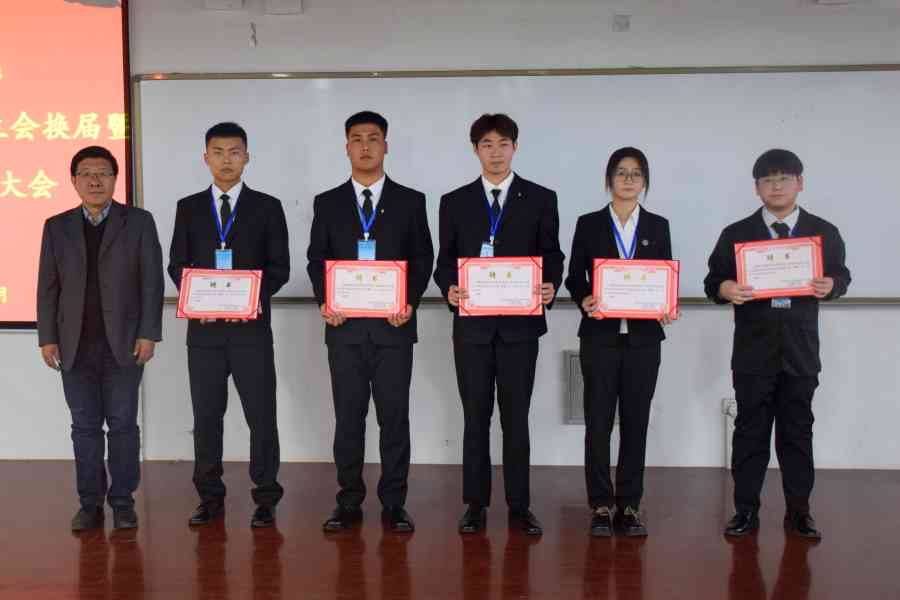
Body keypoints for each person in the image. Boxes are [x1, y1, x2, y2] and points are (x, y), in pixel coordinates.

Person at [704, 148, 850, 540]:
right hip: (753, 352)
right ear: (757, 188)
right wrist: (726, 288)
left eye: (784, 178)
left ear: (800, 183)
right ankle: (745, 511)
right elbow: (712, 282)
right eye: (768, 180)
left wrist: (832, 285)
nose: (776, 186)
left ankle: (799, 512)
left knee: (797, 433)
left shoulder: (823, 232)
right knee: (750, 433)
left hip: (800, 353)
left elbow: (842, 274)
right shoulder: (737, 234)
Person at [433, 113, 564, 535]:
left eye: (503, 144)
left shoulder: (541, 198)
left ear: (515, 148)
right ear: (475, 150)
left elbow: (552, 255)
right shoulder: (454, 201)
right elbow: (444, 262)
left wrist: (550, 284)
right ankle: (475, 504)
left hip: (519, 329)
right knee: (475, 417)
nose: (495, 152)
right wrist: (449, 288)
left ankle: (519, 506)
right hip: (472, 328)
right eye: (487, 144)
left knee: (516, 418)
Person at [307, 111, 434, 532]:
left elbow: (422, 258)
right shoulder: (327, 202)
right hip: (344, 329)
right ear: (346, 147)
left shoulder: (411, 201)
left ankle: (394, 503)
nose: (365, 146)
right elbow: (316, 259)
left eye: (373, 138)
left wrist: (409, 301)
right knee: (348, 419)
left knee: (394, 419)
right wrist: (326, 299)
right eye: (357, 139)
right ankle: (348, 501)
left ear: (386, 145)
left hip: (394, 328)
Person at [168, 122, 290, 528]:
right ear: (206, 158)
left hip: (251, 332)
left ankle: (266, 496)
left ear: (247, 157)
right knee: (206, 417)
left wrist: (249, 299)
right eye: (218, 152)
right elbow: (176, 264)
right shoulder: (188, 207)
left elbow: (280, 268)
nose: (226, 160)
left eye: (234, 152)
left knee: (261, 415)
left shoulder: (267, 207)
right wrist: (195, 296)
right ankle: (209, 497)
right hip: (204, 333)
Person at [37, 145, 164, 531]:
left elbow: (152, 282)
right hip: (74, 345)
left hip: (123, 342)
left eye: (103, 173)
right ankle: (89, 504)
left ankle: (123, 502)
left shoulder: (138, 222)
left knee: (123, 424)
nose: (95, 180)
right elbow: (48, 287)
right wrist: (47, 337)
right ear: (73, 181)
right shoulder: (56, 226)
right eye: (87, 174)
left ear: (115, 179)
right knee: (84, 427)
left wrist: (148, 333)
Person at [564, 147, 675, 537]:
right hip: (600, 338)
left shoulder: (658, 225)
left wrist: (666, 304)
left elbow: (665, 275)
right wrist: (584, 298)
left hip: (644, 340)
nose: (629, 179)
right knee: (597, 423)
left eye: (636, 173)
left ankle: (629, 505)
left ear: (645, 181)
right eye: (621, 172)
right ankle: (599, 504)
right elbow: (574, 275)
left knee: (635, 422)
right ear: (609, 178)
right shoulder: (589, 224)